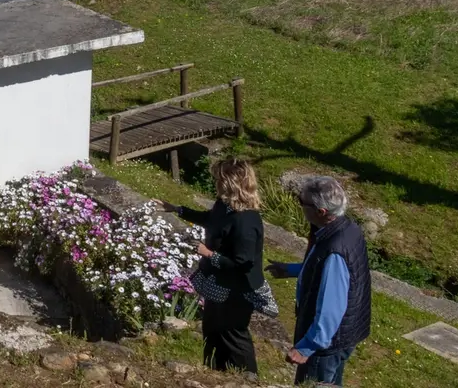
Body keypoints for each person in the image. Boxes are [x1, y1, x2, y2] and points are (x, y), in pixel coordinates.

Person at [157, 158, 268, 379]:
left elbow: (243, 263)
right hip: (219, 284)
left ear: (230, 183)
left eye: (219, 179)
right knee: (212, 329)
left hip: (237, 290)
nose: (215, 183)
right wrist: (178, 210)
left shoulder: (246, 221)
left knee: (233, 335)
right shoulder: (224, 206)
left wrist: (208, 253)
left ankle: (248, 378)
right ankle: (215, 374)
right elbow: (210, 219)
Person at [267, 176, 371, 387]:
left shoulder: (334, 249)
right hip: (345, 335)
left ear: (321, 212)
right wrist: (291, 270)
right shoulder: (348, 229)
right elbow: (333, 273)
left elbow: (331, 308)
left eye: (302, 202)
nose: (299, 205)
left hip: (326, 346)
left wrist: (307, 347)